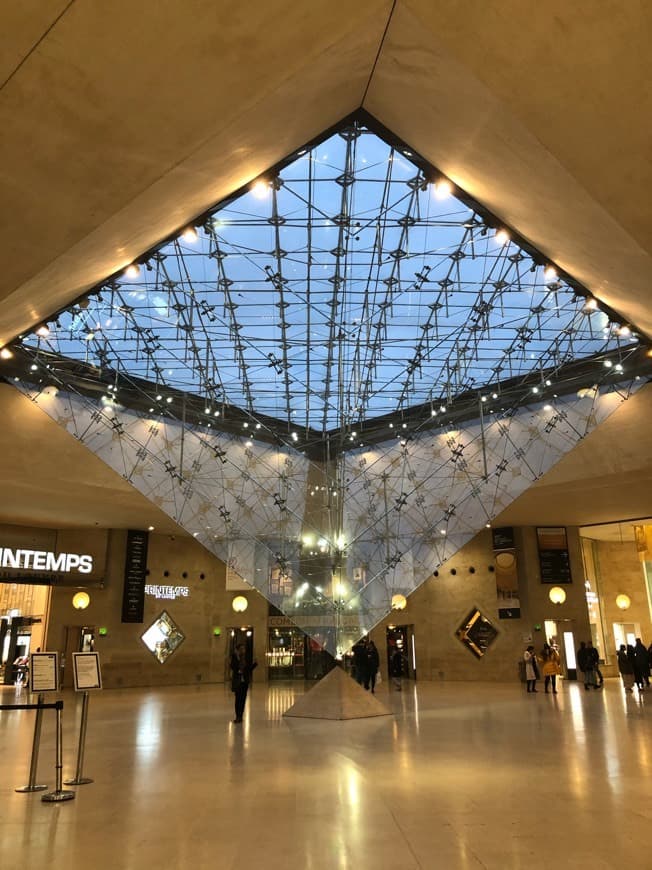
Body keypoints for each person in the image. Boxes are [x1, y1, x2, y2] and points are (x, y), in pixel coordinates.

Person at [230, 643, 257, 723]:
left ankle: (241, 716)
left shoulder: (246, 658)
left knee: (243, 699)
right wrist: (237, 658)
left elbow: (248, 670)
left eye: (244, 649)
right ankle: (237, 716)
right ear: (238, 650)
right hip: (237, 681)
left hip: (244, 682)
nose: (243, 650)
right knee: (238, 699)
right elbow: (233, 667)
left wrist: (255, 664)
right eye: (241, 649)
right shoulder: (234, 657)